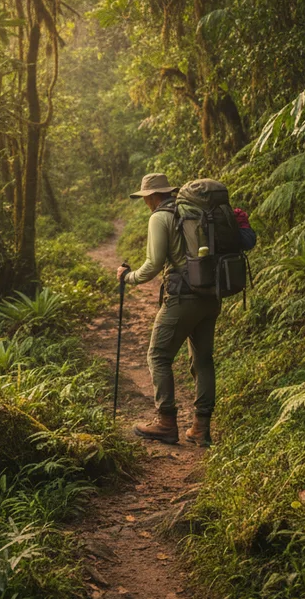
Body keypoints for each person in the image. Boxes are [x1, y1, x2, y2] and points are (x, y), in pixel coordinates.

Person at [118, 173, 220, 446]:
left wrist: (127, 277)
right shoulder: (195, 211)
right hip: (211, 295)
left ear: (151, 196)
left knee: (158, 355)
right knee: (203, 360)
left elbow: (153, 265)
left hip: (183, 298)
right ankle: (201, 427)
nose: (145, 203)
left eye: (145, 198)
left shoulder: (160, 217)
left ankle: (166, 422)